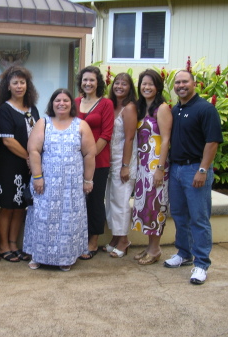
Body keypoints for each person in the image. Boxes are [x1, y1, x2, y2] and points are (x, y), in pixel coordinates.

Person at [23, 88, 96, 271]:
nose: (61, 103)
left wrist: (88, 180)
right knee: (42, 217)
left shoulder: (81, 125)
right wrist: (37, 177)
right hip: (46, 184)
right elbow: (33, 150)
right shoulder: (43, 123)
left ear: (72, 104)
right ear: (52, 104)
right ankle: (38, 256)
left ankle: (65, 257)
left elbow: (89, 154)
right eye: (57, 100)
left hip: (71, 186)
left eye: (65, 100)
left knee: (68, 221)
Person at [164, 70, 223, 285]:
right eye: (177, 82)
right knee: (179, 214)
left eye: (184, 82)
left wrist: (203, 169)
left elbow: (212, 142)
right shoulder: (176, 109)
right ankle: (184, 253)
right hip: (176, 169)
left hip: (195, 169)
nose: (180, 85)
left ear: (194, 83)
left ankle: (201, 264)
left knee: (199, 217)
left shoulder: (205, 109)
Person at [0, 66, 40, 262]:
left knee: (20, 206)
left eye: (22, 82)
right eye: (15, 83)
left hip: (28, 167)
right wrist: (30, 157)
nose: (19, 86)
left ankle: (14, 243)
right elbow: (8, 140)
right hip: (10, 166)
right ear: (8, 86)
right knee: (7, 206)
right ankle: (3, 245)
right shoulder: (4, 109)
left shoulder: (33, 108)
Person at [131, 69, 172, 265]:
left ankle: (155, 250)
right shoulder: (141, 108)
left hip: (156, 165)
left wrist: (160, 168)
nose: (146, 87)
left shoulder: (162, 108)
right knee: (147, 207)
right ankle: (150, 247)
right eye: (143, 83)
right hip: (143, 166)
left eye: (151, 84)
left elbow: (165, 141)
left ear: (158, 87)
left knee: (156, 207)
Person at [75, 66, 114, 260]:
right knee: (77, 202)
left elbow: (106, 134)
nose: (88, 83)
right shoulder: (74, 102)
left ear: (98, 82)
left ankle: (93, 241)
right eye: (84, 80)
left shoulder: (105, 104)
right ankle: (77, 239)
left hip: (98, 161)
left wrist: (88, 157)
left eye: (91, 80)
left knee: (95, 201)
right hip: (74, 163)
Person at [104, 73, 138, 258]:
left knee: (121, 201)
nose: (119, 86)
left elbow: (130, 137)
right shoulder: (112, 105)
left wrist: (125, 165)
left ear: (130, 87)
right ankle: (115, 238)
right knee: (111, 200)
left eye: (124, 84)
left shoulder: (130, 107)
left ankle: (124, 240)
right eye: (117, 83)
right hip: (110, 160)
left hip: (123, 160)